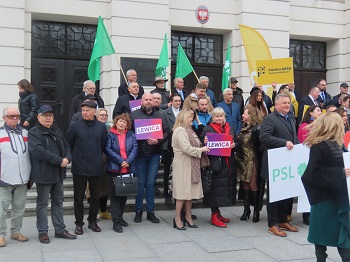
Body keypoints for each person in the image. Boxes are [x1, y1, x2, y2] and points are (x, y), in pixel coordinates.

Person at [302, 112, 350, 262]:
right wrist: (340, 173)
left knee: (343, 235)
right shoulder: (319, 146)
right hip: (324, 200)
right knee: (321, 237)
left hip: (338, 197)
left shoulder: (338, 144)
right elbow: (312, 173)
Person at [28, 105, 77, 244]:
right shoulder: (33, 132)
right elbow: (38, 151)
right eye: (45, 115)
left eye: (50, 115)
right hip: (44, 174)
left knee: (58, 202)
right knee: (42, 204)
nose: (48, 118)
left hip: (58, 174)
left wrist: (68, 158)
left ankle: (60, 229)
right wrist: (60, 160)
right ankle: (43, 232)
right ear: (38, 117)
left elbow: (67, 146)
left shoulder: (56, 130)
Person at [260, 93, 299, 237]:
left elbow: (292, 138)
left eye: (288, 102)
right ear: (276, 105)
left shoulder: (291, 118)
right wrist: (283, 143)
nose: (287, 105)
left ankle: (283, 220)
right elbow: (264, 137)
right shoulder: (270, 119)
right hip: (275, 163)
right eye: (284, 103)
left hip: (287, 163)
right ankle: (273, 224)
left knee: (286, 193)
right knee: (274, 195)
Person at [66, 101, 107, 235]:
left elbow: (103, 145)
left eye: (87, 110)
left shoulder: (101, 127)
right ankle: (79, 223)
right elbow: (69, 144)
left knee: (95, 197)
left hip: (96, 167)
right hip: (79, 167)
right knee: (78, 198)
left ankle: (92, 221)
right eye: (83, 110)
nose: (84, 113)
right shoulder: (75, 126)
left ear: (94, 111)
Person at [131, 93, 170, 223]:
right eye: (146, 99)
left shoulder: (160, 114)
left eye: (151, 100)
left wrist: (157, 141)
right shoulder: (134, 114)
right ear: (141, 101)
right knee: (140, 184)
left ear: (154, 101)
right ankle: (138, 211)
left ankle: (150, 212)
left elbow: (167, 132)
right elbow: (129, 133)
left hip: (154, 154)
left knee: (150, 183)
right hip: (140, 154)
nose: (148, 101)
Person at [172, 109, 210, 230]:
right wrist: (201, 150)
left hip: (192, 164)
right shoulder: (180, 130)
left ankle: (188, 216)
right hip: (183, 165)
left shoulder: (190, 131)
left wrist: (203, 144)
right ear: (183, 117)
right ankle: (177, 218)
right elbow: (186, 148)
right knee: (182, 193)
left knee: (190, 193)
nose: (191, 119)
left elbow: (195, 145)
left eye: (192, 117)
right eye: (189, 117)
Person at [200, 107, 236, 228]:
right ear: (213, 117)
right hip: (215, 164)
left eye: (221, 116)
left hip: (227, 163)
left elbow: (236, 141)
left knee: (222, 190)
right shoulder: (208, 128)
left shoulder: (229, 128)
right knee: (214, 190)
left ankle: (218, 213)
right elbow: (201, 143)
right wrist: (203, 141)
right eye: (217, 116)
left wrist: (234, 144)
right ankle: (214, 215)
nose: (219, 118)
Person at [0, 107, 31, 247]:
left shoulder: (25, 133)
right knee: (1, 209)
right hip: (4, 179)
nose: (15, 118)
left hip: (22, 179)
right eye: (11, 116)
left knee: (19, 208)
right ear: (4, 118)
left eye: (17, 116)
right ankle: (0, 235)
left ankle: (15, 231)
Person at [105, 113, 138, 233]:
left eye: (124, 122)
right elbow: (107, 149)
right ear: (116, 122)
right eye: (120, 121)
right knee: (115, 196)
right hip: (114, 168)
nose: (122, 123)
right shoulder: (110, 135)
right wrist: (121, 161)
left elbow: (135, 148)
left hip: (128, 168)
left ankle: (120, 217)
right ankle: (116, 221)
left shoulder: (131, 135)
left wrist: (128, 161)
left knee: (124, 195)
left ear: (127, 125)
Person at [235, 105, 263, 223]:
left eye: (244, 113)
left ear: (251, 115)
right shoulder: (243, 128)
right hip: (242, 160)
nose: (242, 115)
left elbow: (260, 144)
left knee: (252, 185)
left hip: (252, 160)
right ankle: (246, 210)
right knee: (245, 185)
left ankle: (256, 210)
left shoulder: (256, 129)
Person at [161, 94, 182, 204]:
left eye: (179, 101)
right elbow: (165, 128)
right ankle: (167, 193)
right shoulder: (164, 113)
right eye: (176, 100)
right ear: (171, 101)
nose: (178, 102)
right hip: (169, 145)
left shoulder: (183, 113)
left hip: (181, 146)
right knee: (167, 170)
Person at [95, 108, 112, 220]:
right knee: (94, 188)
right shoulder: (93, 127)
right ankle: (94, 212)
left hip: (107, 160)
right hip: (95, 161)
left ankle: (103, 211)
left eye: (105, 115)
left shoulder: (110, 129)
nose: (104, 116)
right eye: (101, 115)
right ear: (96, 116)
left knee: (105, 188)